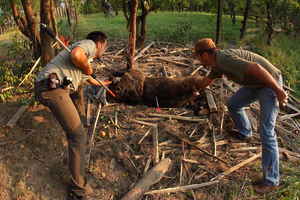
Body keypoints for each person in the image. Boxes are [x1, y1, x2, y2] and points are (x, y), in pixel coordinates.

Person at [191, 38, 288, 195]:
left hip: (269, 84)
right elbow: (209, 78)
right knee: (234, 104)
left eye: (197, 56)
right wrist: (197, 88)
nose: (197, 59)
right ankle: (245, 134)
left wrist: (277, 89)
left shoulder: (224, 60)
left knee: (266, 132)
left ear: (204, 55)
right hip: (256, 84)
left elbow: (256, 67)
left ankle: (271, 181)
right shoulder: (217, 62)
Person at [34, 31, 111, 200]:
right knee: (77, 136)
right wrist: (87, 67)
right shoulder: (88, 45)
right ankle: (80, 192)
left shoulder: (83, 58)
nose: (104, 50)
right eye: (105, 47)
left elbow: (88, 78)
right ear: (99, 44)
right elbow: (77, 56)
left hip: (49, 86)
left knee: (78, 92)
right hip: (53, 87)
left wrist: (103, 83)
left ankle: (79, 126)